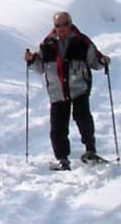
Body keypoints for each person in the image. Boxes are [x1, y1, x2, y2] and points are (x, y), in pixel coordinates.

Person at [24, 11, 110, 170]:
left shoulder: (82, 42)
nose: (62, 28)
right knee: (58, 126)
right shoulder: (47, 44)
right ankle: (62, 158)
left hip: (79, 88)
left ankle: (90, 151)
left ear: (71, 24)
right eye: (58, 25)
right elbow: (40, 67)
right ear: (54, 26)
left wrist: (102, 61)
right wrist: (32, 60)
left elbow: (95, 61)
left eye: (65, 24)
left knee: (83, 118)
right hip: (57, 91)